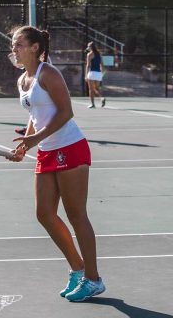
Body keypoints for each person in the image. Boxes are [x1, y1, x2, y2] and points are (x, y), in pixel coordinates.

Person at [7, 25, 105, 302]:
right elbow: (35, 115)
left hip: (70, 148)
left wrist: (36, 137)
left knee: (76, 216)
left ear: (34, 47)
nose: (14, 49)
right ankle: (78, 269)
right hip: (47, 150)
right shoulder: (22, 80)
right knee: (44, 214)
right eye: (13, 45)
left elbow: (66, 111)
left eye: (18, 44)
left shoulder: (48, 73)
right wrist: (26, 141)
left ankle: (94, 279)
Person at [85, 42, 105, 108]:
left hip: (92, 73)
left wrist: (86, 75)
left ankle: (92, 104)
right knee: (96, 88)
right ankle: (102, 98)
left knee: (91, 90)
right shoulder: (99, 54)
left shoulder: (89, 54)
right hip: (98, 74)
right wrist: (101, 73)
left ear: (91, 47)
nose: (88, 48)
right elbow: (102, 65)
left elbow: (88, 65)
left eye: (89, 47)